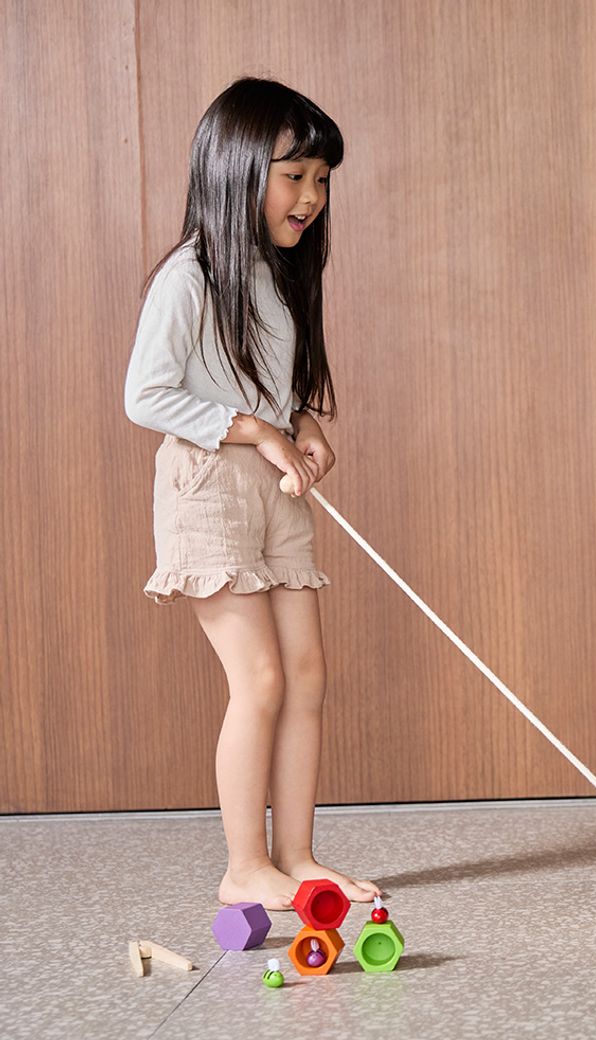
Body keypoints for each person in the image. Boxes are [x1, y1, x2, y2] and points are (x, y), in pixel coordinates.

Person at [125, 77, 380, 911]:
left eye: (322, 179)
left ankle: (295, 854)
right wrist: (258, 431)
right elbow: (148, 396)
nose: (310, 197)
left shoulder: (273, 275)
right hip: (208, 491)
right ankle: (244, 867)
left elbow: (265, 391)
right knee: (261, 679)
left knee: (307, 673)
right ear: (235, 170)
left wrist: (298, 422)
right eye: (293, 174)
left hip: (274, 487)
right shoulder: (191, 276)